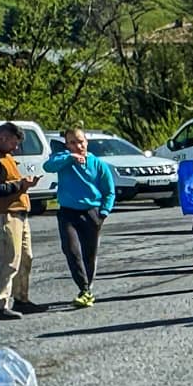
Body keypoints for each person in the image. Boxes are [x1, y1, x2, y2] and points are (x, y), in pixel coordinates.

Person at [0, 120, 42, 320]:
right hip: (5, 214)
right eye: (14, 142)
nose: (16, 147)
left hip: (19, 213)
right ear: (2, 137)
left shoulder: (5, 156)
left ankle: (21, 298)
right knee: (7, 259)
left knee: (25, 257)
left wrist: (22, 186)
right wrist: (21, 186)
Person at [45, 126, 116, 308]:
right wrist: (69, 157)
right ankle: (84, 289)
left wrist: (104, 212)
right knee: (71, 250)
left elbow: (109, 191)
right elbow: (48, 166)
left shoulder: (98, 164)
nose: (77, 145)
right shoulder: (63, 160)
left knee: (89, 254)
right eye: (72, 142)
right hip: (68, 212)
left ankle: (88, 289)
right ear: (67, 145)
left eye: (80, 141)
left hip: (91, 213)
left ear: (86, 142)